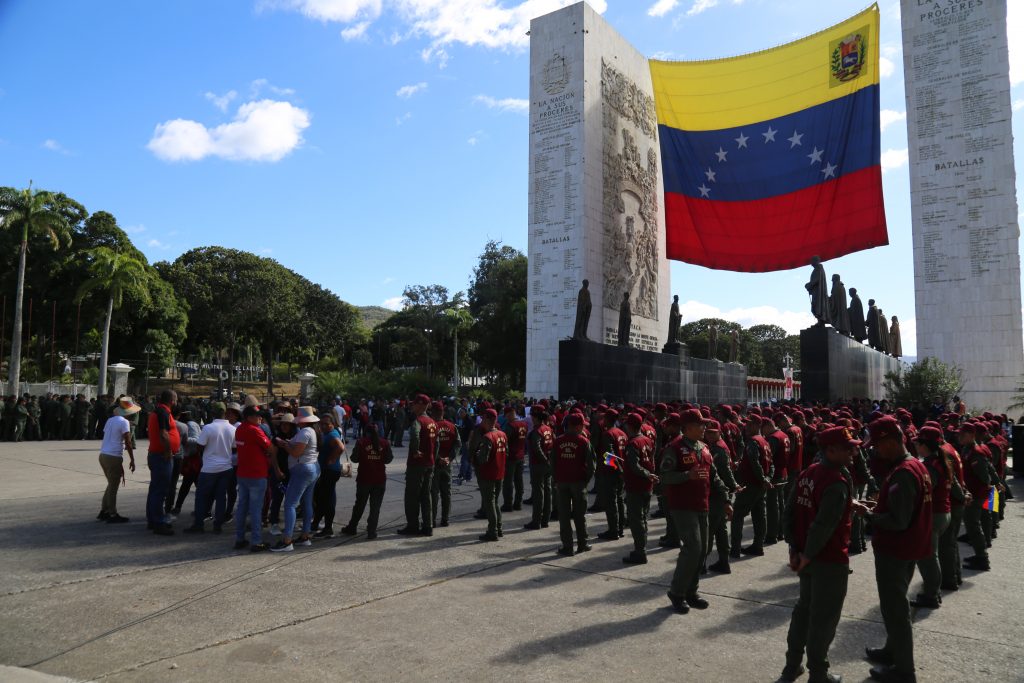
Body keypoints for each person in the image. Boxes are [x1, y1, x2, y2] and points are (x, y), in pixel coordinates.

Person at [857, 416, 933, 683]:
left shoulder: (904, 472)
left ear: (890, 442)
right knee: (894, 605)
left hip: (896, 549)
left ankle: (904, 670)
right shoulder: (914, 465)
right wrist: (877, 506)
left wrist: (869, 515)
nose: (876, 450)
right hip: (908, 546)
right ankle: (892, 651)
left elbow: (898, 520)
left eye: (878, 445)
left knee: (895, 610)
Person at [780, 426, 858, 683]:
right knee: (823, 619)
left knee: (803, 611)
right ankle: (819, 673)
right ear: (831, 450)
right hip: (827, 559)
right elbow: (823, 525)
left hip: (806, 556)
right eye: (848, 448)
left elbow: (790, 512)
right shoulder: (836, 481)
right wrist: (808, 554)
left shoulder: (808, 473)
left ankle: (792, 666)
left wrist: (795, 548)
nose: (853, 451)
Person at [662, 409, 729, 614]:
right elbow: (665, 476)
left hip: (703, 504)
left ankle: (692, 591)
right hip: (683, 506)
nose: (704, 428)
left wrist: (726, 499)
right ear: (688, 428)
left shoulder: (704, 448)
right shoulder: (674, 448)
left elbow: (714, 476)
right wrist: (686, 476)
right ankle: (677, 592)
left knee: (704, 549)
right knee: (693, 547)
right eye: (701, 425)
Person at [911, 426, 956, 609]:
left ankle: (931, 594)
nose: (916, 446)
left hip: (934, 515)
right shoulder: (941, 460)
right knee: (934, 555)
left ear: (925, 445)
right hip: (944, 512)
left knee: (928, 557)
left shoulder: (931, 466)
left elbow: (924, 491)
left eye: (918, 443)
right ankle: (935, 589)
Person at [271, 406, 321, 552]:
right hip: (312, 467)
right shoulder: (313, 431)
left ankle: (287, 540)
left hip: (302, 469)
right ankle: (305, 536)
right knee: (306, 503)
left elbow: (295, 453)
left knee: (290, 504)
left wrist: (285, 445)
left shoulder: (305, 432)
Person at [184, 402, 236, 534]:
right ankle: (218, 525)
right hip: (226, 468)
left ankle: (199, 524)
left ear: (212, 413)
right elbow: (234, 448)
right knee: (221, 497)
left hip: (209, 468)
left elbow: (200, 446)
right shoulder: (232, 429)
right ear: (225, 412)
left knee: (201, 496)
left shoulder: (208, 428)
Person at [234, 404, 277, 552]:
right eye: (257, 415)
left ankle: (239, 538)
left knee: (242, 507)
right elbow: (271, 448)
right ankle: (256, 541)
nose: (260, 418)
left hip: (243, 473)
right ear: (248, 417)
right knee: (255, 509)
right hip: (257, 474)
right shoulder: (255, 430)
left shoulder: (239, 429)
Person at [552, 412, 595, 555]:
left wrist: (556, 479)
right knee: (579, 515)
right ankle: (583, 543)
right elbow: (591, 465)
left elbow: (552, 463)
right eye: (582, 425)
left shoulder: (558, 441)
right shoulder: (584, 442)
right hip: (578, 483)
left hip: (562, 482)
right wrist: (585, 480)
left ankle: (567, 546)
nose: (583, 428)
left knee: (564, 517)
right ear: (576, 426)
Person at [342, 423, 393, 539]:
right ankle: (371, 531)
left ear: (366, 432)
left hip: (364, 479)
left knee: (359, 505)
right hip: (379, 479)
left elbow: (354, 459)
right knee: (375, 507)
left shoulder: (361, 442)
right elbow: (388, 459)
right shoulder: (385, 443)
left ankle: (352, 527)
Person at [731, 415, 773, 557]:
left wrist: (763, 479)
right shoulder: (765, 441)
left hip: (751, 484)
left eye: (750, 425)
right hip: (760, 485)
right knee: (759, 515)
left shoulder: (754, 442)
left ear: (757, 425)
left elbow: (755, 462)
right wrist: (767, 479)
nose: (746, 427)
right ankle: (758, 546)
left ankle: (735, 549)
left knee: (738, 515)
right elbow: (771, 464)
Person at [397, 394, 437, 536]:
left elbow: (414, 435)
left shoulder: (418, 421)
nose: (412, 406)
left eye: (414, 404)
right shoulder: (432, 422)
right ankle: (428, 525)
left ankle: (413, 525)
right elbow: (436, 443)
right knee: (426, 496)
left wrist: (415, 451)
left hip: (417, 464)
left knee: (412, 496)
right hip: (429, 463)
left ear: (420, 405)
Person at [621, 412, 658, 564]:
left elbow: (633, 465)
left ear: (630, 426)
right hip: (647, 485)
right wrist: (651, 474)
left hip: (636, 485)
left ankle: (640, 551)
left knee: (636, 520)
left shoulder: (633, 443)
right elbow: (652, 459)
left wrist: (646, 474)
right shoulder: (647, 440)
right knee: (643, 518)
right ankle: (641, 548)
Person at [97, 396, 138, 524]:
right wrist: (132, 459)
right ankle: (112, 514)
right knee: (114, 486)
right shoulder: (124, 422)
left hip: (103, 454)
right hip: (113, 456)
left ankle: (104, 511)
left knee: (110, 483)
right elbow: (128, 442)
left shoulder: (111, 420)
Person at [705, 419, 738, 574]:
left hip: (718, 493)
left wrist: (733, 486)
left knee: (710, 529)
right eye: (708, 432)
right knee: (720, 528)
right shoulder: (716, 446)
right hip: (720, 492)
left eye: (713, 433)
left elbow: (724, 471)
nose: (709, 435)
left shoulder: (718, 449)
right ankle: (723, 562)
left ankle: (702, 563)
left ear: (719, 432)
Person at [146, 390, 180, 536]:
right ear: (172, 400)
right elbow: (164, 434)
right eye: (176, 399)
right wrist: (167, 451)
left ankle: (153, 519)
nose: (177, 402)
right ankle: (158, 522)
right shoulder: (163, 412)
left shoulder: (159, 410)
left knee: (155, 489)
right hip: (162, 456)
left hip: (156, 454)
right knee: (161, 490)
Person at [474, 408, 508, 541]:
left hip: (488, 474)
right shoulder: (502, 434)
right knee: (495, 502)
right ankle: (498, 528)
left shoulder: (487, 437)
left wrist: (476, 454)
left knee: (490, 503)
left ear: (487, 420)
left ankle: (492, 531)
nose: (482, 421)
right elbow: (507, 453)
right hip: (500, 472)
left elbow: (483, 458)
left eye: (483, 418)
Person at [311, 412, 346, 539]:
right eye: (322, 424)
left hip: (330, 471)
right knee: (321, 498)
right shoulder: (327, 433)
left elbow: (340, 447)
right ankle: (316, 524)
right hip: (327, 471)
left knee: (327, 500)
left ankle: (328, 528)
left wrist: (331, 459)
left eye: (327, 424)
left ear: (332, 424)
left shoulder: (332, 434)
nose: (324, 426)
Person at [596, 409, 627, 540]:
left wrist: (615, 469)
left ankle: (613, 530)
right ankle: (620, 528)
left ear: (608, 420)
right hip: (622, 471)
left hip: (611, 472)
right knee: (619, 500)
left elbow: (608, 454)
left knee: (611, 502)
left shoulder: (608, 434)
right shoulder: (622, 433)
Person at [430, 401, 461, 528]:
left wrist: (439, 459)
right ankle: (445, 519)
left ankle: (432, 520)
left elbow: (429, 446)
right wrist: (449, 458)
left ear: (433, 412)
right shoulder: (452, 426)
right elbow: (458, 444)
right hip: (447, 465)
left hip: (435, 465)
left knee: (434, 493)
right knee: (446, 493)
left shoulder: (431, 427)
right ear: (443, 412)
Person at [501, 406, 528, 512]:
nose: (506, 418)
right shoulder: (524, 424)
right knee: (519, 481)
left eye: (507, 415)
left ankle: (508, 504)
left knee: (508, 482)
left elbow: (505, 441)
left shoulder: (510, 426)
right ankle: (518, 503)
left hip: (511, 457)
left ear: (511, 414)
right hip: (520, 455)